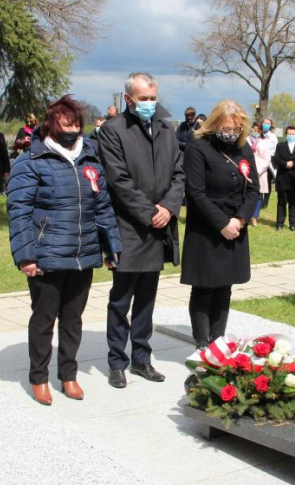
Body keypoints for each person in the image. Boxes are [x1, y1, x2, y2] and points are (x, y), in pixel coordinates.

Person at [7, 95, 122, 405]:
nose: (72, 128)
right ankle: (39, 377)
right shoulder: (31, 160)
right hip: (46, 256)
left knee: (73, 320)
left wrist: (112, 248)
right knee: (44, 318)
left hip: (83, 255)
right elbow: (18, 211)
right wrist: (26, 256)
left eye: (76, 123)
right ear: (51, 123)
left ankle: (68, 375)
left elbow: (103, 206)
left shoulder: (90, 158)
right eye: (66, 122)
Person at [98, 72, 185, 389]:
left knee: (147, 299)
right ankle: (117, 362)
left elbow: (179, 173)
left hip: (159, 226)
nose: (149, 104)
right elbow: (118, 181)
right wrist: (150, 213)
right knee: (121, 300)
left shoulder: (166, 128)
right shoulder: (112, 130)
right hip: (130, 227)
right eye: (143, 98)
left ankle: (142, 359)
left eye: (153, 98)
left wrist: (168, 208)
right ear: (129, 99)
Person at [181, 100, 259, 348]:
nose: (230, 134)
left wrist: (240, 219)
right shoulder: (198, 147)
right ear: (214, 125)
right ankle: (202, 341)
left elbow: (253, 188)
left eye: (235, 130)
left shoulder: (242, 147)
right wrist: (222, 223)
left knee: (225, 287)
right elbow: (195, 192)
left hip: (235, 226)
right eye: (226, 129)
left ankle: (218, 339)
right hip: (207, 227)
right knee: (204, 287)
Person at [272, 125, 295, 231]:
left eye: (293, 134)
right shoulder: (280, 145)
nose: (291, 135)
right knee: (281, 202)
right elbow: (276, 158)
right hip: (283, 178)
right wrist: (285, 164)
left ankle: (292, 224)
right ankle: (279, 224)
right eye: (289, 134)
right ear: (286, 134)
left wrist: (294, 164)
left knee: (294, 203)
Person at [248, 121, 271, 227]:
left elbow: (267, 159)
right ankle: (245, 216)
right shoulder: (245, 141)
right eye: (254, 129)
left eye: (258, 130)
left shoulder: (265, 142)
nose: (255, 132)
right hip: (246, 171)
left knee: (257, 195)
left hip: (259, 173)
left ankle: (255, 217)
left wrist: (257, 170)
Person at [258, 117, 278, 209]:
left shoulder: (273, 136)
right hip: (258, 161)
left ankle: (265, 202)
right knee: (259, 181)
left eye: (268, 123)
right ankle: (258, 200)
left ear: (270, 126)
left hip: (269, 161)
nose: (266, 125)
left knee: (267, 181)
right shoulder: (258, 135)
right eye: (264, 123)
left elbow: (276, 149)